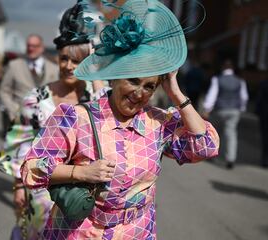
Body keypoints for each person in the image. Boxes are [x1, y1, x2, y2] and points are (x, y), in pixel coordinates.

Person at [20, 0, 220, 239]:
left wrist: (176, 93)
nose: (139, 93)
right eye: (133, 81)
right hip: (79, 232)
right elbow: (31, 169)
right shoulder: (75, 117)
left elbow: (206, 146)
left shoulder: (158, 123)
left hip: (136, 232)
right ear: (115, 77)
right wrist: (81, 173)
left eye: (149, 86)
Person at [0, 3, 105, 239]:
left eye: (77, 61)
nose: (69, 66)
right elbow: (21, 144)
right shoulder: (36, 98)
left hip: (83, 191)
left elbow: (109, 126)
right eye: (64, 58)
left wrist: (96, 77)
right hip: (42, 188)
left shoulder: (96, 98)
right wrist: (18, 187)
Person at [0, 34, 59, 137]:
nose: (31, 49)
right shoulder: (14, 65)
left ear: (41, 48)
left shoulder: (54, 68)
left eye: (34, 46)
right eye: (29, 46)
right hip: (20, 123)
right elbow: (3, 90)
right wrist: (13, 110)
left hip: (46, 124)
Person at [203, 59, 248, 169]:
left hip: (220, 109)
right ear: (232, 69)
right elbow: (244, 97)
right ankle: (230, 159)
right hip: (234, 110)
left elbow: (212, 95)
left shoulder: (217, 79)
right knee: (231, 134)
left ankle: (212, 154)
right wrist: (242, 109)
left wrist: (207, 108)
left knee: (215, 133)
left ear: (223, 68)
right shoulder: (240, 81)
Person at [255, 78, 268, 168]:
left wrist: (257, 111)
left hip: (265, 115)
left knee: (265, 137)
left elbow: (259, 99)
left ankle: (265, 159)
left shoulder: (264, 83)